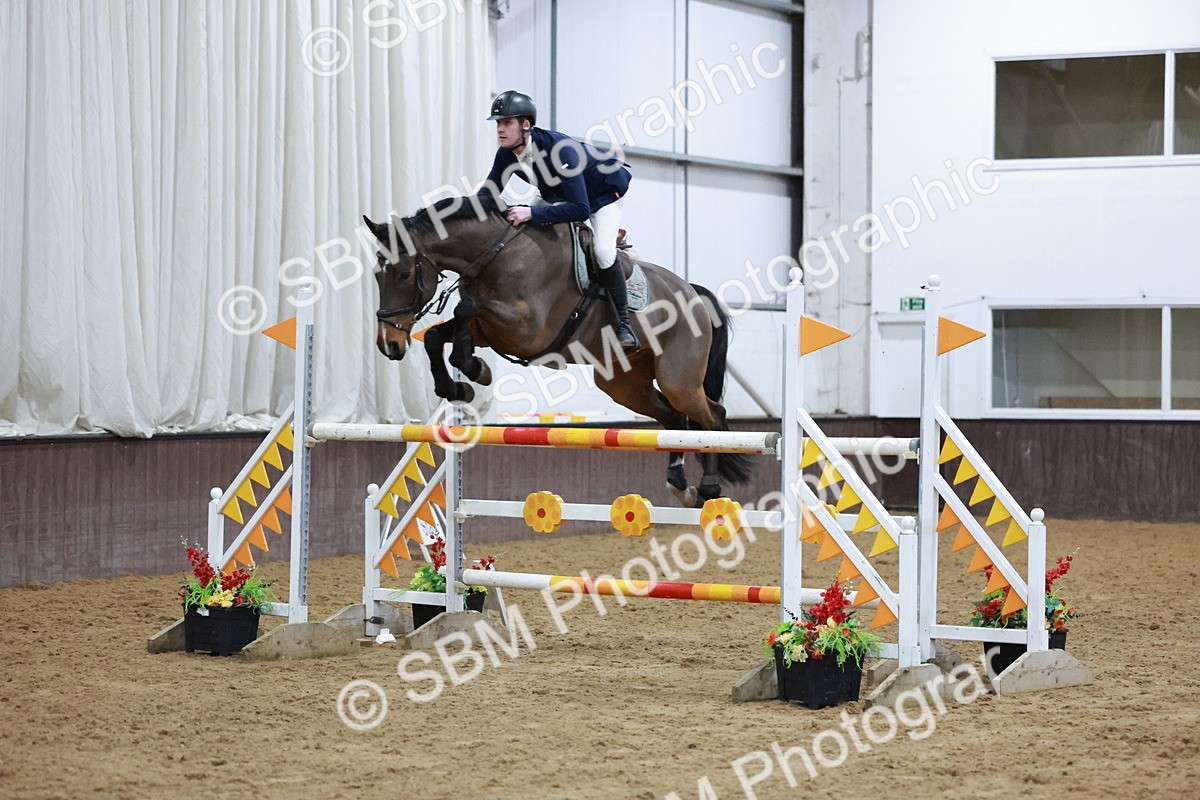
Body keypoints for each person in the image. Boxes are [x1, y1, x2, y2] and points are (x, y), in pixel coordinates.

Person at [480, 90, 639, 352]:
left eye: (506, 122)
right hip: (560, 193)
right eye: (498, 123)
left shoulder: (559, 150)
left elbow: (580, 209)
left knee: (602, 251)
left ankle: (624, 324)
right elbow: (486, 196)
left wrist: (531, 213)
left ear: (526, 125)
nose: (500, 129)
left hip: (603, 192)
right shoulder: (506, 154)